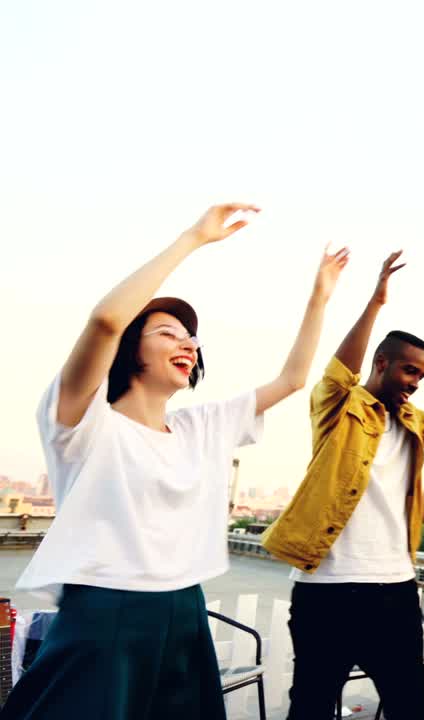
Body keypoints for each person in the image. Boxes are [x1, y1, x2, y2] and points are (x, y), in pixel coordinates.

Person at [3, 204, 348, 720]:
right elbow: (106, 320)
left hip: (184, 605)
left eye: (190, 337)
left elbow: (293, 379)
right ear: (129, 347)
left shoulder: (198, 426)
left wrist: (320, 296)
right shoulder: (82, 421)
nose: (187, 342)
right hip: (104, 607)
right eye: (167, 332)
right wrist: (194, 238)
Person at [262, 250, 424, 719]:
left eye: (422, 375)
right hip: (326, 590)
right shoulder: (338, 406)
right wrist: (376, 302)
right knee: (312, 705)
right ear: (381, 363)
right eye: (409, 370)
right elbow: (340, 372)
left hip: (395, 589)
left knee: (409, 706)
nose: (415, 382)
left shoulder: (414, 421)